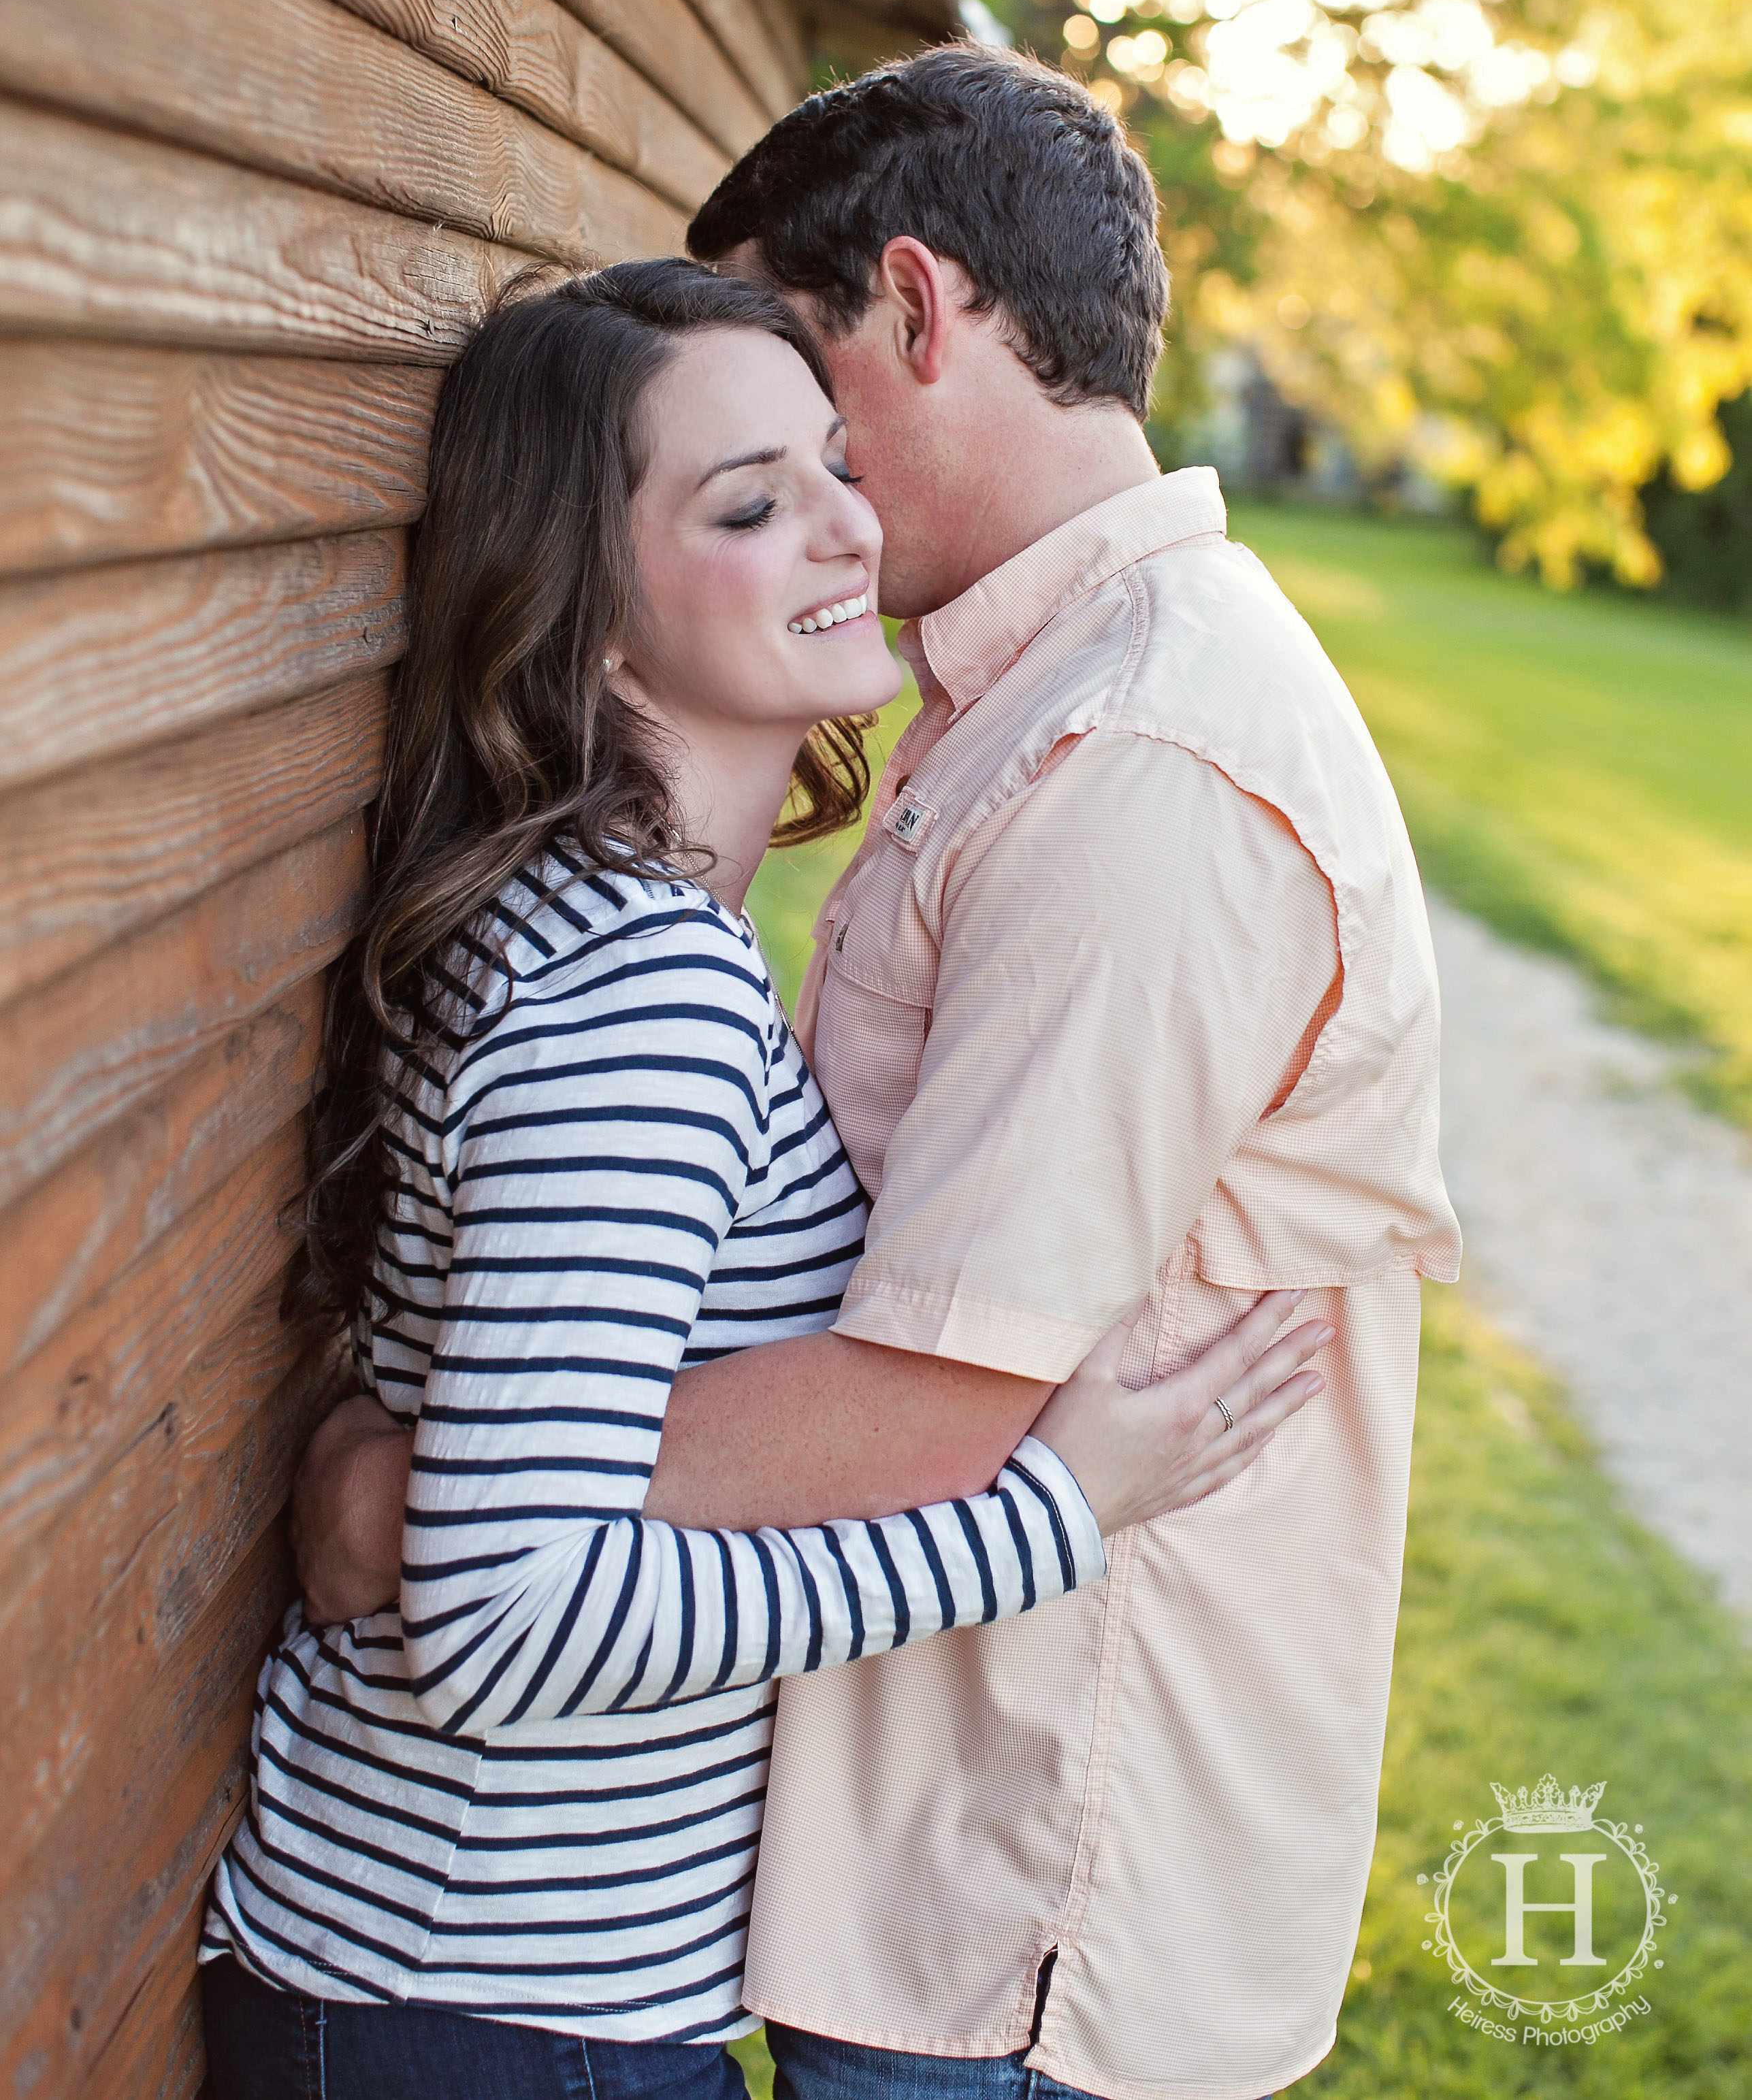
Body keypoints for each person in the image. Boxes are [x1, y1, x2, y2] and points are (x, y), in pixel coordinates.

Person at [203, 257, 1332, 2100]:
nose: (843, 526)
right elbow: (507, 1621)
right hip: (482, 2007)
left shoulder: (615, 934)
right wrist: (1053, 1517)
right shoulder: (633, 991)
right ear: (594, 619)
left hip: (477, 1991)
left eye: (831, 462)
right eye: (749, 503)